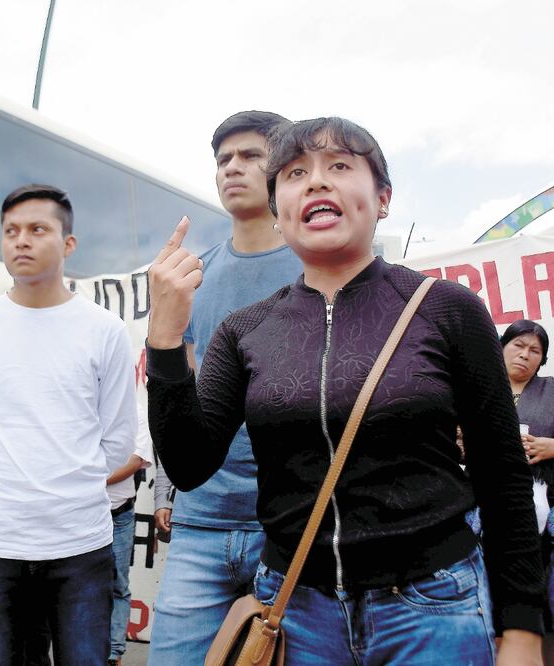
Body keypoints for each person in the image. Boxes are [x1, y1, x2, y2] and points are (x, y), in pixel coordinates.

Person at [146, 117, 545, 665]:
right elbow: (188, 463)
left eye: (338, 166)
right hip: (296, 614)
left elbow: (502, 476)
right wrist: (165, 339)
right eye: (293, 173)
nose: (315, 182)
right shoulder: (246, 329)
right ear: (280, 210)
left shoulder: (447, 309)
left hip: (434, 610)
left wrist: (522, 628)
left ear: (382, 198)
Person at [0, 184, 137, 666]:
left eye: (37, 229)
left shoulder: (104, 330)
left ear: (68, 244)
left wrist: (65, 490)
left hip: (80, 541)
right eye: (10, 231)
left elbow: (117, 439)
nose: (21, 241)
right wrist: (2, 490)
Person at [148, 110, 303, 663]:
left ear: (284, 169)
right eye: (223, 159)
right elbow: (177, 395)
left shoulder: (319, 267)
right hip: (202, 520)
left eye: (250, 156)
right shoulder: (191, 274)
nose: (233, 168)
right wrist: (168, 487)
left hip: (292, 525)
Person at [500, 319, 554, 662]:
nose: (525, 355)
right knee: (496, 605)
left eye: (535, 350)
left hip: (544, 522)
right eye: (518, 345)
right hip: (484, 515)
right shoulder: (477, 389)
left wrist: (553, 447)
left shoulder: (552, 390)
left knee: (545, 606)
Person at [106, 403, 154, 665]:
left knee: (118, 586)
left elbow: (136, 460)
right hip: (83, 513)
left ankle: (114, 654)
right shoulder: (85, 407)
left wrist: (93, 480)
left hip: (120, 514)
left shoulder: (136, 412)